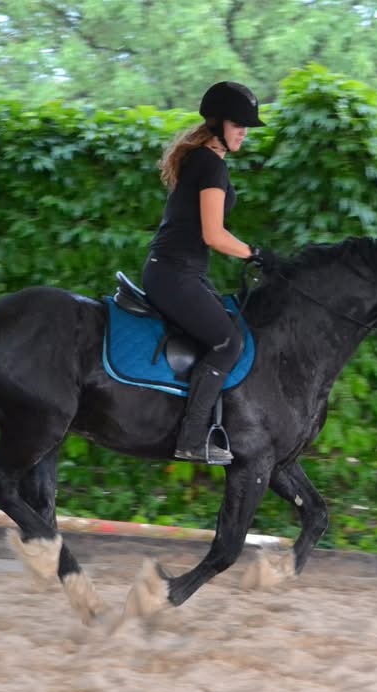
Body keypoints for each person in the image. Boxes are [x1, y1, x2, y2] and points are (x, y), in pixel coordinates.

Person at [141, 81, 274, 465]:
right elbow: (213, 235)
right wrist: (255, 254)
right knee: (228, 342)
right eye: (239, 124)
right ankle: (191, 438)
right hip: (174, 274)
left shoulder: (201, 158)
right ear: (218, 124)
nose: (244, 132)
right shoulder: (210, 164)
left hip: (178, 272)